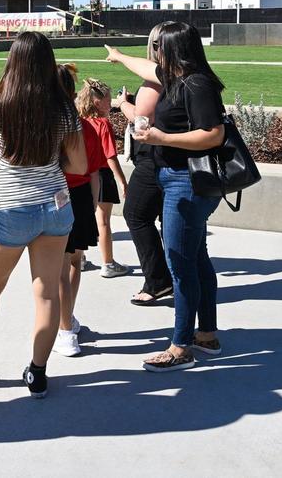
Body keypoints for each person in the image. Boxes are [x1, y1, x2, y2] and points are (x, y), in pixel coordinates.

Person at [0, 32, 87, 398]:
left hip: (13, 207)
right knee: (47, 295)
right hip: (55, 207)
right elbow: (80, 164)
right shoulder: (64, 107)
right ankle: (37, 374)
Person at [106, 21, 225, 372]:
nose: (155, 52)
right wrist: (118, 56)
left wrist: (161, 139)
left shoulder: (197, 84)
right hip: (176, 179)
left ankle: (180, 347)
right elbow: (144, 67)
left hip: (185, 184)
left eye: (160, 46)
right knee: (197, 258)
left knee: (180, 264)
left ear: (174, 49)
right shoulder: (177, 76)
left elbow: (213, 135)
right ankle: (206, 335)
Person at [113, 24, 172, 306]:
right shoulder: (190, 76)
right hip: (176, 159)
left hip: (154, 158)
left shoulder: (157, 80)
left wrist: (123, 103)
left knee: (136, 215)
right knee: (166, 221)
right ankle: (171, 277)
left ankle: (158, 281)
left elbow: (140, 120)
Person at [52, 64, 103, 358]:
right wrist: (93, 205)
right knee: (74, 262)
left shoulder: (48, 127)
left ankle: (65, 329)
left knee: (62, 267)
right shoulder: (87, 127)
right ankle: (67, 319)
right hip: (82, 196)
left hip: (59, 195)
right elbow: (94, 172)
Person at [76, 78, 130, 278]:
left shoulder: (81, 122)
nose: (111, 103)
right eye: (108, 100)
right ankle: (108, 263)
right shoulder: (103, 124)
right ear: (97, 102)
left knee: (83, 217)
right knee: (103, 221)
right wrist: (123, 181)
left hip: (84, 175)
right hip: (103, 175)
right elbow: (110, 156)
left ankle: (79, 258)